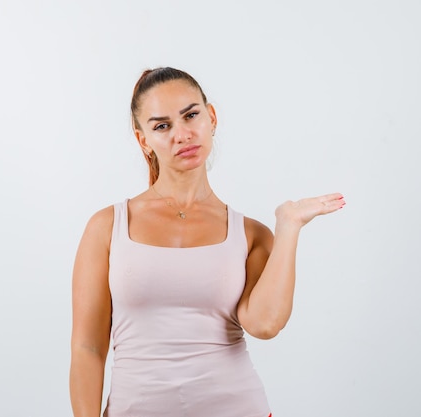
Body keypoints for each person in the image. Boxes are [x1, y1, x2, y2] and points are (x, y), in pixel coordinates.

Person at [69, 67, 345, 417]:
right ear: (144, 141)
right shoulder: (107, 227)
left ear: (211, 117)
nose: (182, 134)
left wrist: (288, 226)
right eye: (162, 126)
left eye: (191, 115)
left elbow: (265, 324)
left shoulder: (252, 235)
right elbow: (88, 347)